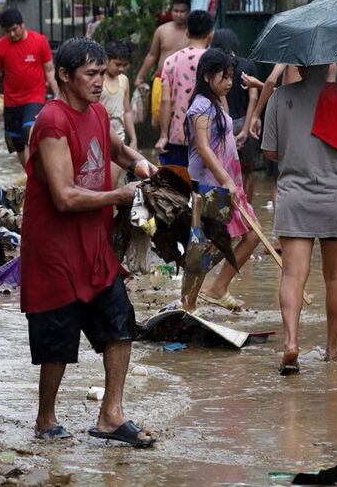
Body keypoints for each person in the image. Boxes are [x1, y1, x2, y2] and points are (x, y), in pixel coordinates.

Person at [21, 37, 156, 448]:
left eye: (101, 73)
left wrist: (142, 166)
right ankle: (46, 418)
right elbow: (64, 196)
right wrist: (118, 196)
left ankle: (111, 414)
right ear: (65, 75)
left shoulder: (97, 113)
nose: (99, 82)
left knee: (120, 324)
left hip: (94, 247)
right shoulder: (52, 122)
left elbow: (119, 151)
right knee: (57, 341)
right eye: (90, 74)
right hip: (54, 251)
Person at [261, 63, 337, 375]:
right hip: (336, 198)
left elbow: (270, 151)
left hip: (295, 197)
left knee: (293, 275)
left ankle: (291, 343)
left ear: (299, 65)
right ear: (331, 65)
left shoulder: (279, 98)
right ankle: (332, 350)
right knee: (336, 276)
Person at [183, 49, 259, 312]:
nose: (229, 82)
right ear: (207, 76)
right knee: (207, 246)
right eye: (224, 77)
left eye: (231, 76)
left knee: (251, 235)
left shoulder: (216, 102)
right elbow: (204, 148)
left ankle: (217, 289)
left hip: (228, 183)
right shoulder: (201, 106)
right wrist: (226, 181)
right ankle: (189, 304)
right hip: (211, 185)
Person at [0, 8, 58, 167]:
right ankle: (29, 174)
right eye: (8, 31)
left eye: (15, 29)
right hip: (11, 102)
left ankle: (37, 175)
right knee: (17, 144)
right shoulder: (1, 45)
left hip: (35, 98)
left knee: (29, 133)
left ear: (23, 24)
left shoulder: (39, 41)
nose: (12, 34)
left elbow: (49, 70)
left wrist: (58, 94)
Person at [154, 9, 214, 167]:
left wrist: (163, 135)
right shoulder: (214, 61)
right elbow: (220, 97)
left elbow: (165, 100)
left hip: (178, 136)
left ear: (187, 33)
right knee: (205, 182)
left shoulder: (170, 61)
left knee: (178, 180)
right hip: (209, 136)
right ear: (211, 36)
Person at [211, 29, 260, 202]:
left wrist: (228, 129)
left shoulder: (215, 68)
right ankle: (247, 209)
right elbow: (253, 97)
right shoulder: (248, 65)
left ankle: (228, 210)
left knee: (222, 171)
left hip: (221, 124)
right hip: (245, 122)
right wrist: (245, 130)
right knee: (248, 171)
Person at [133, 0, 192, 91]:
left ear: (188, 12)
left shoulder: (194, 33)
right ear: (171, 11)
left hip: (185, 81)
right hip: (161, 79)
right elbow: (152, 55)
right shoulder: (161, 30)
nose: (179, 15)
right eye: (176, 11)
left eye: (182, 11)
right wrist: (140, 77)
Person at [99, 40, 137, 185]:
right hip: (100, 136)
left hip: (118, 137)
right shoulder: (98, 79)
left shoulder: (124, 80)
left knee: (112, 181)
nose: (121, 68)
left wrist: (133, 138)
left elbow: (127, 111)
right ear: (106, 60)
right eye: (117, 64)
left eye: (124, 65)